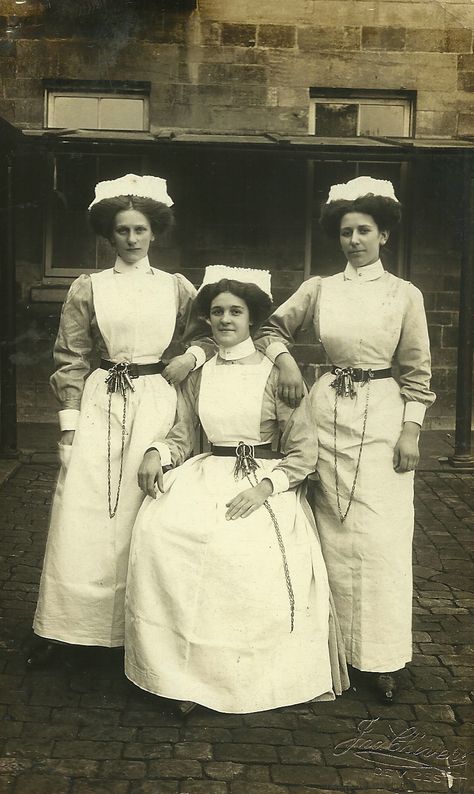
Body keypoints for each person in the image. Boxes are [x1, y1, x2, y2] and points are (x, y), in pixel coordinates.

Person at [124, 266, 349, 714]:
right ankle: (183, 673)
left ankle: (244, 676)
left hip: (264, 479)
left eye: (236, 312)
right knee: (162, 532)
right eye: (217, 312)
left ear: (252, 318)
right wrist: (155, 453)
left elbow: (303, 451)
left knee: (238, 547)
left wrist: (267, 487)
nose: (225, 320)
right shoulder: (199, 373)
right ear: (207, 319)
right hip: (209, 470)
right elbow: (184, 434)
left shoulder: (276, 373)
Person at [256, 177, 435, 703]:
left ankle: (381, 659)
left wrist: (411, 429)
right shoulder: (319, 288)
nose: (354, 240)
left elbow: (418, 371)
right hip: (326, 411)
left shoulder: (406, 295)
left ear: (384, 235)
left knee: (381, 539)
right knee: (326, 530)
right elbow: (270, 328)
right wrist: (286, 359)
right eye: (345, 231)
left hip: (382, 416)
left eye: (364, 230)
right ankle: (327, 651)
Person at [28, 174, 212, 667]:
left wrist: (190, 357)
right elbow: (70, 355)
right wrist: (69, 423)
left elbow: (214, 334)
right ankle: (73, 629)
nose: (132, 239)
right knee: (83, 511)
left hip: (156, 398)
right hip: (100, 402)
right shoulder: (89, 287)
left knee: (142, 508)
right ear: (108, 235)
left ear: (155, 232)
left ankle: (140, 629)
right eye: (122, 230)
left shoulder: (176, 287)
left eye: (140, 229)